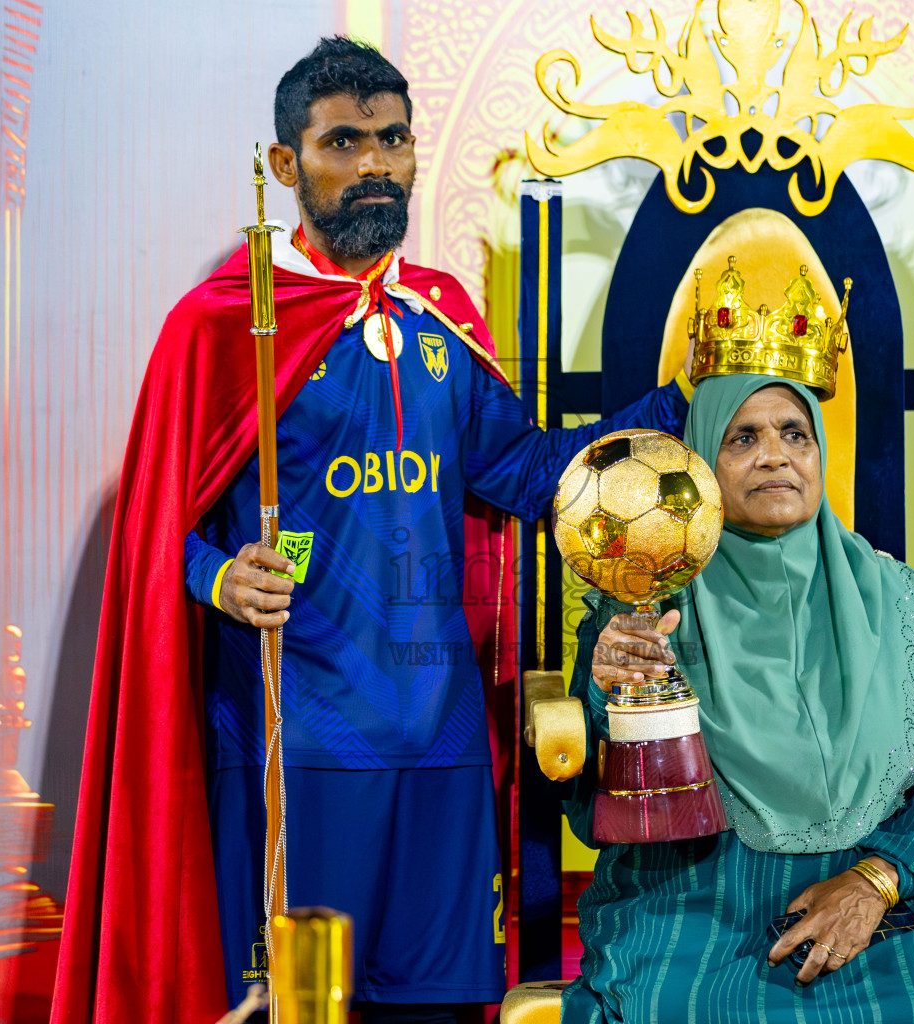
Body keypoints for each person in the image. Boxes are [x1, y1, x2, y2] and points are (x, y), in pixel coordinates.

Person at [51, 36, 695, 1024]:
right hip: (291, 738)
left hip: (439, 737)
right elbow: (151, 533)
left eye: (392, 140)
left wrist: (680, 402)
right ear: (283, 165)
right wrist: (217, 575)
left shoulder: (444, 315)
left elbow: (520, 471)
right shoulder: (222, 325)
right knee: (296, 1008)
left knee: (429, 1011)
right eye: (342, 141)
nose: (374, 165)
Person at [562, 373, 914, 1023]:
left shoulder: (900, 604)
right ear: (702, 465)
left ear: (819, 453)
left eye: (796, 434)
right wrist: (611, 695)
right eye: (742, 438)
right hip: (694, 900)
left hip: (865, 902)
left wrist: (878, 882)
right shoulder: (645, 607)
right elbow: (593, 795)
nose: (775, 454)